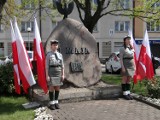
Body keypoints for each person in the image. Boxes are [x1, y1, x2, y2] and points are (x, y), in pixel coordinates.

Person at [46, 39, 64, 110]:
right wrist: (47, 75)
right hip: (51, 72)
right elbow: (46, 66)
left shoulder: (60, 55)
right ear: (51, 46)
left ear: (57, 46)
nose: (55, 46)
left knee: (57, 87)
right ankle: (51, 103)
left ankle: (56, 102)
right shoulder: (49, 55)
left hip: (58, 72)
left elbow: (62, 65)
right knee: (51, 87)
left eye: (56, 45)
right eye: (53, 45)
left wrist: (63, 74)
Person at [120, 35, 135, 100]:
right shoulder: (122, 48)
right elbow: (120, 59)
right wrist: (122, 67)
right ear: (124, 40)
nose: (129, 40)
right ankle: (125, 93)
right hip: (125, 65)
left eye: (129, 39)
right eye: (127, 39)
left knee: (129, 80)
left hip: (131, 65)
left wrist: (135, 66)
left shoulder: (131, 48)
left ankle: (128, 93)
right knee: (124, 79)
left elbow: (133, 57)